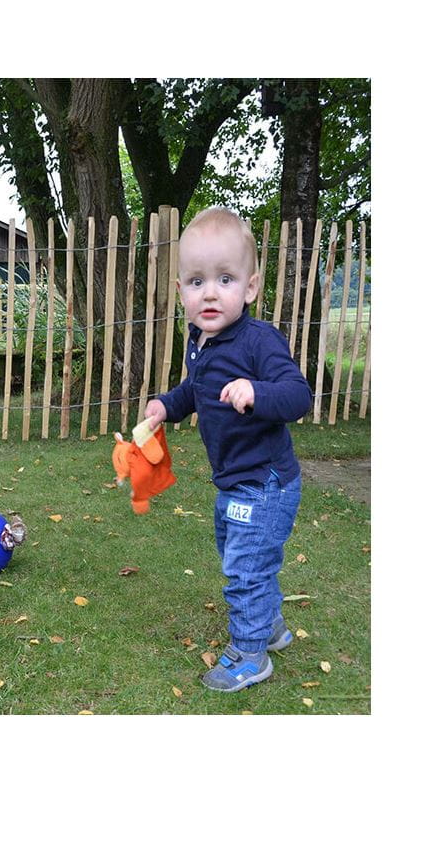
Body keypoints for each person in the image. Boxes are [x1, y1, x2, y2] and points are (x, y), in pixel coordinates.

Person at [144, 207, 312, 692]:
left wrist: (257, 393)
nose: (210, 292)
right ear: (181, 292)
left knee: (244, 565)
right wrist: (165, 406)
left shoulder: (260, 341)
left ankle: (250, 653)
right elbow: (194, 390)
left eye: (225, 278)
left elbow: (298, 395)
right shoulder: (200, 340)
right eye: (196, 281)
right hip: (235, 481)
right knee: (241, 555)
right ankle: (271, 626)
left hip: (265, 481)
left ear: (251, 287)